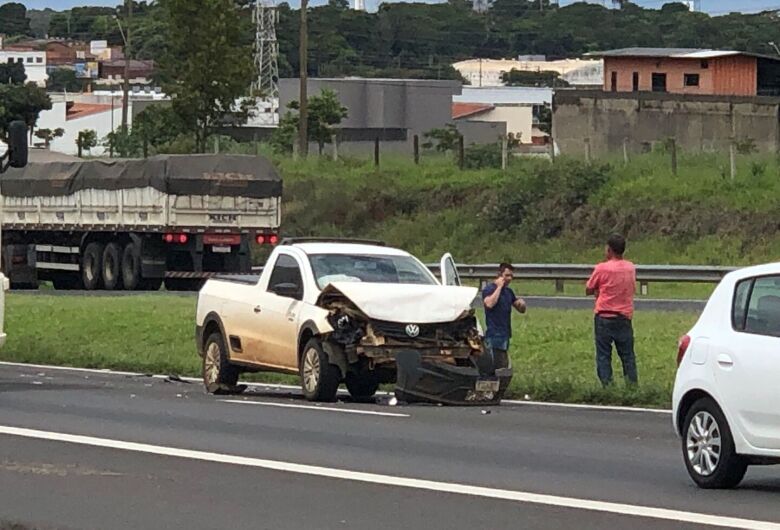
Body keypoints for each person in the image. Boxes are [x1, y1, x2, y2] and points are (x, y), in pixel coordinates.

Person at [586, 234, 638, 386]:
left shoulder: (602, 268)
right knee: (627, 355)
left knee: (603, 354)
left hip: (604, 315)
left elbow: (589, 288)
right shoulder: (630, 267)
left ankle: (607, 386)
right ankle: (632, 385)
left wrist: (599, 290)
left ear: (609, 249)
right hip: (624, 316)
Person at [482, 263, 527, 370]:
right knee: (494, 364)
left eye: (511, 276)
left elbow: (520, 308)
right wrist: (499, 287)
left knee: (503, 364)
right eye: (507, 275)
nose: (509, 279)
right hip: (494, 333)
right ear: (500, 275)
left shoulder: (508, 292)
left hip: (505, 333)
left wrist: (521, 304)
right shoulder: (489, 289)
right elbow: (489, 304)